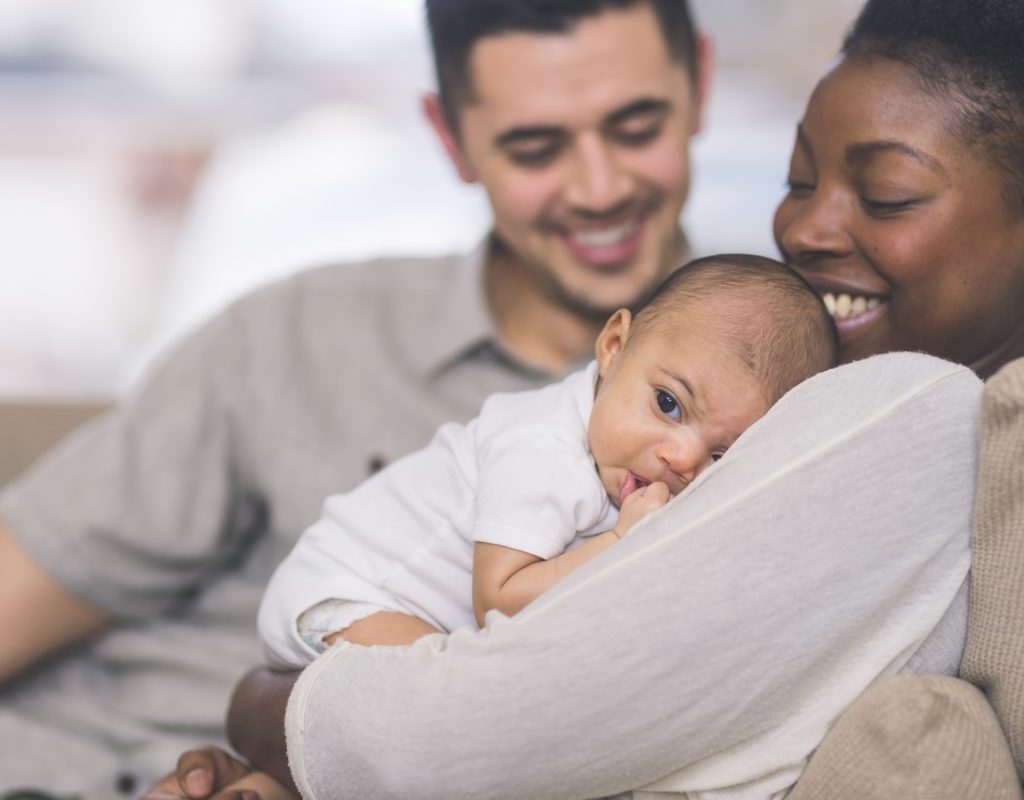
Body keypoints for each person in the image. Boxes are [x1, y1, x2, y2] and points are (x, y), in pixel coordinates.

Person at [149, 0, 1024, 796]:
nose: (801, 228)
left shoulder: (912, 418)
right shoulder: (786, 383)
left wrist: (263, 708)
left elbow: (451, 736)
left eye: (887, 194)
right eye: (796, 181)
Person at [0, 0, 711, 795]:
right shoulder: (297, 333)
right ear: (452, 141)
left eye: (637, 127)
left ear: (701, 87)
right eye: (534, 146)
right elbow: (25, 580)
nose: (600, 186)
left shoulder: (767, 411)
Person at [258, 256, 838, 668]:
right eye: (667, 404)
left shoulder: (623, 470)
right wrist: (619, 548)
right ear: (613, 348)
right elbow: (501, 599)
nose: (682, 458)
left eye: (723, 455)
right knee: (455, 705)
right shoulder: (544, 448)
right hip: (341, 594)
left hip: (407, 615)